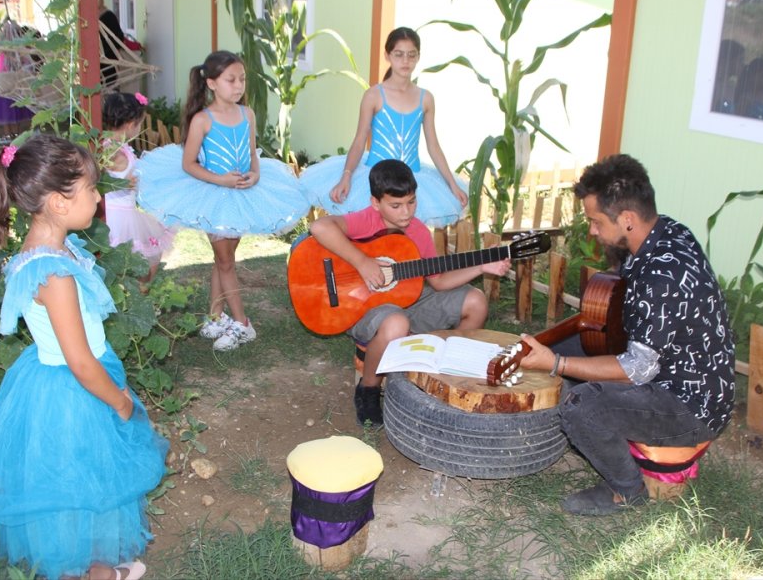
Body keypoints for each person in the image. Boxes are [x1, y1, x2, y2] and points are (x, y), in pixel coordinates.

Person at [0, 133, 168, 579]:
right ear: (59, 202)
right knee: (83, 479)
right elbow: (79, 360)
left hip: (53, 380)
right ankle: (92, 571)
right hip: (77, 388)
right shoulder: (54, 273)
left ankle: (88, 567)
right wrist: (119, 400)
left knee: (70, 479)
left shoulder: (43, 253)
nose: (97, 197)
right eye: (91, 188)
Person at [517, 154, 734, 516]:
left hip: (690, 407)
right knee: (569, 346)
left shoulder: (661, 278)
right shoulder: (669, 232)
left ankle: (626, 491)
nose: (592, 231)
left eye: (596, 222)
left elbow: (636, 369)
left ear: (628, 219)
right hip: (673, 371)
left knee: (581, 406)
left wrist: (556, 363)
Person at [309, 159, 510, 426]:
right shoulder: (365, 220)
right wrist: (362, 261)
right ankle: (368, 389)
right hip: (360, 307)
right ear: (375, 202)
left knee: (476, 301)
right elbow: (319, 227)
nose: (406, 212)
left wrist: (481, 266)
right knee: (396, 322)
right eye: (396, 205)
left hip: (408, 299)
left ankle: (444, 374)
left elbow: (438, 281)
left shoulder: (418, 231)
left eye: (411, 202)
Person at [136, 51, 311, 350]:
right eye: (231, 80)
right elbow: (189, 164)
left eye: (242, 79)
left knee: (224, 260)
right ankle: (243, 324)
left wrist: (255, 174)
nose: (239, 85)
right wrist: (221, 180)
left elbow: (253, 154)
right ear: (212, 83)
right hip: (213, 195)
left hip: (243, 196)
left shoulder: (247, 114)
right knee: (226, 261)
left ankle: (216, 316)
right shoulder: (202, 120)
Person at [299, 26, 468, 228]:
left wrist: (451, 184)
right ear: (387, 55)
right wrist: (346, 176)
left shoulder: (426, 99)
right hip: (376, 176)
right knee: (373, 233)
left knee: (405, 235)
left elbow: (434, 146)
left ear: (418, 57)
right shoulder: (374, 95)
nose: (405, 61)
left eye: (411, 55)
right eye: (399, 54)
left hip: (411, 178)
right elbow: (359, 140)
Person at [101, 92, 175, 289]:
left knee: (140, 263)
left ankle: (134, 294)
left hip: (124, 212)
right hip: (119, 217)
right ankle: (136, 294)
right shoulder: (113, 151)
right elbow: (105, 177)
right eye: (140, 123)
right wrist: (124, 183)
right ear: (130, 124)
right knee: (139, 267)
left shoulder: (115, 146)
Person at [99, 0, 127, 90]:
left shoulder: (108, 16)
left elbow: (119, 39)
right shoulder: (87, 18)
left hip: (108, 61)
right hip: (94, 63)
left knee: (110, 90)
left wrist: (106, 51)